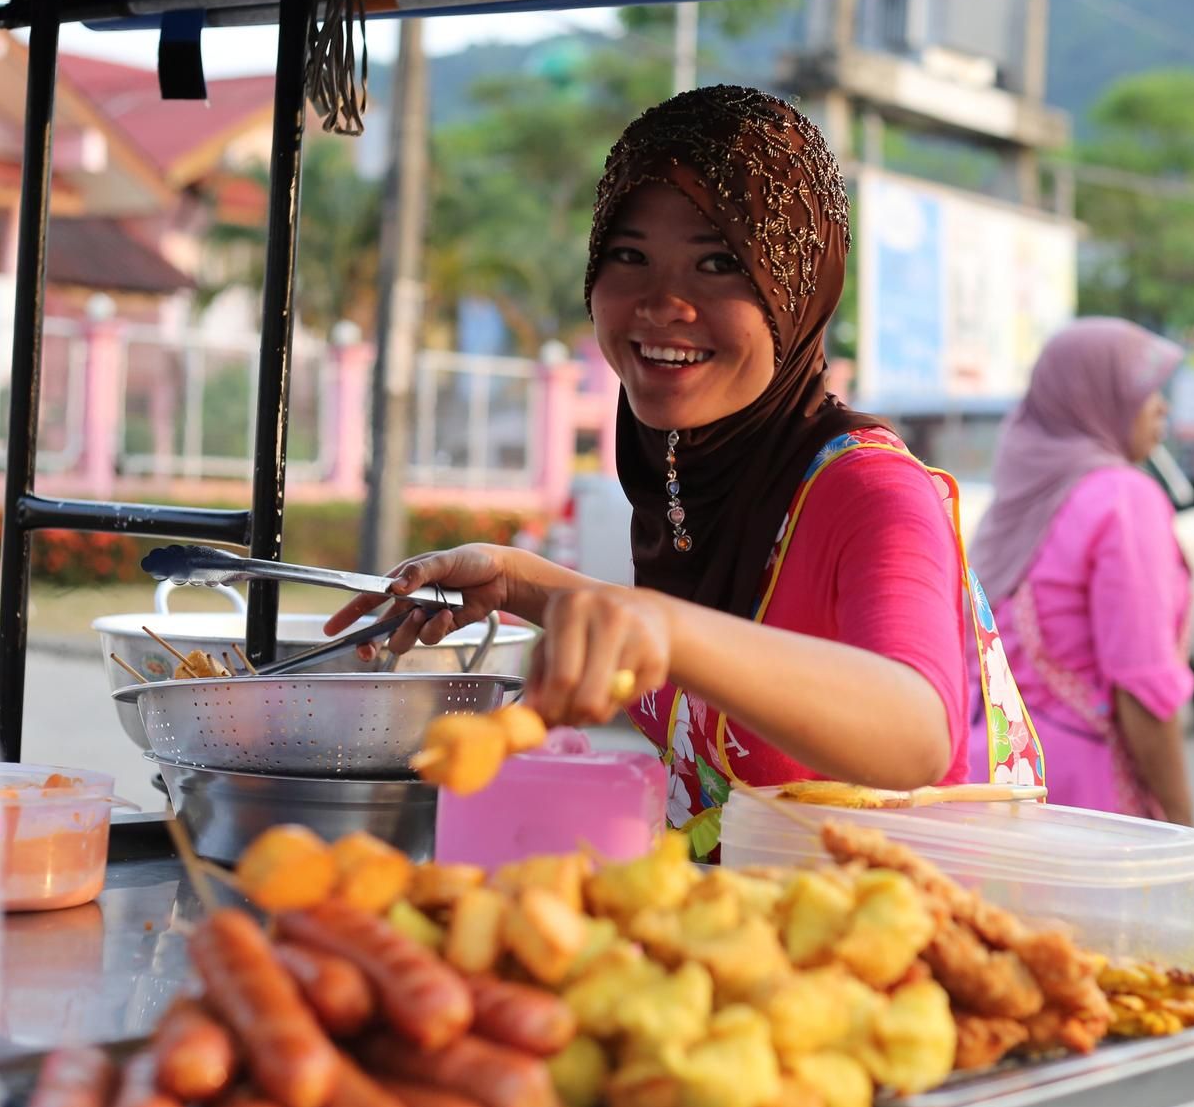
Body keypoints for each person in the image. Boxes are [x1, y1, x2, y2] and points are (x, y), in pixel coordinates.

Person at [328, 85, 988, 851]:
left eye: (718, 262)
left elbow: (919, 730)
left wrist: (667, 627)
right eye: (629, 256)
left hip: (882, 921)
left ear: (797, 289)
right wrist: (513, 581)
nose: (663, 302)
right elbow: (668, 643)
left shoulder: (871, 489)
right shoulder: (684, 462)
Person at [969, 318, 1194, 825]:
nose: (1162, 406)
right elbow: (1140, 686)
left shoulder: (1018, 503)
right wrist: (1187, 828)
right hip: (1084, 803)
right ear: (1096, 398)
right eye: (1146, 390)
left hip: (984, 786)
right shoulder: (1123, 498)